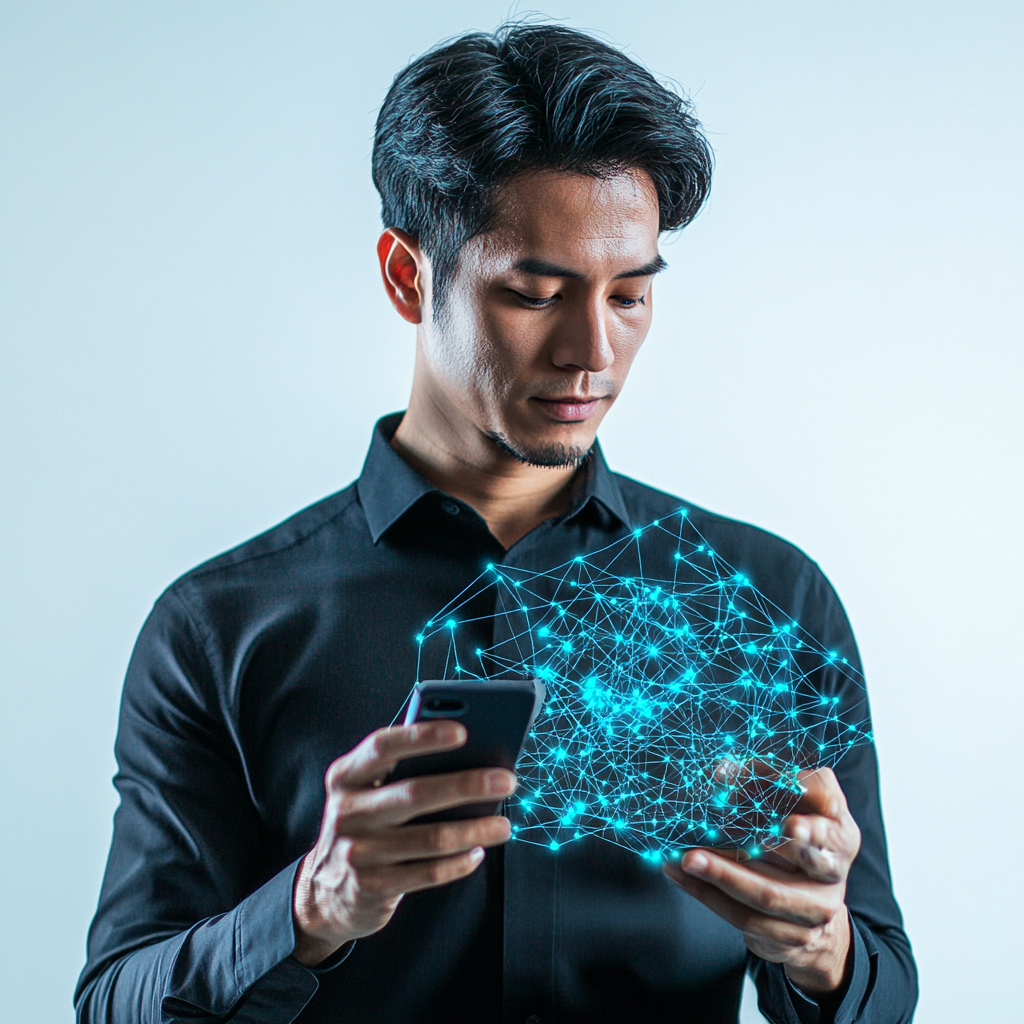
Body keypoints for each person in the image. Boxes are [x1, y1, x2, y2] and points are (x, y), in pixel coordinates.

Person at [76, 22, 917, 1024]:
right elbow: (112, 1003)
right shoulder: (220, 624)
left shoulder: (769, 598)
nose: (592, 351)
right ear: (405, 276)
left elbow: (881, 985)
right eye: (533, 293)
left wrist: (818, 948)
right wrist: (312, 906)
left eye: (632, 293)